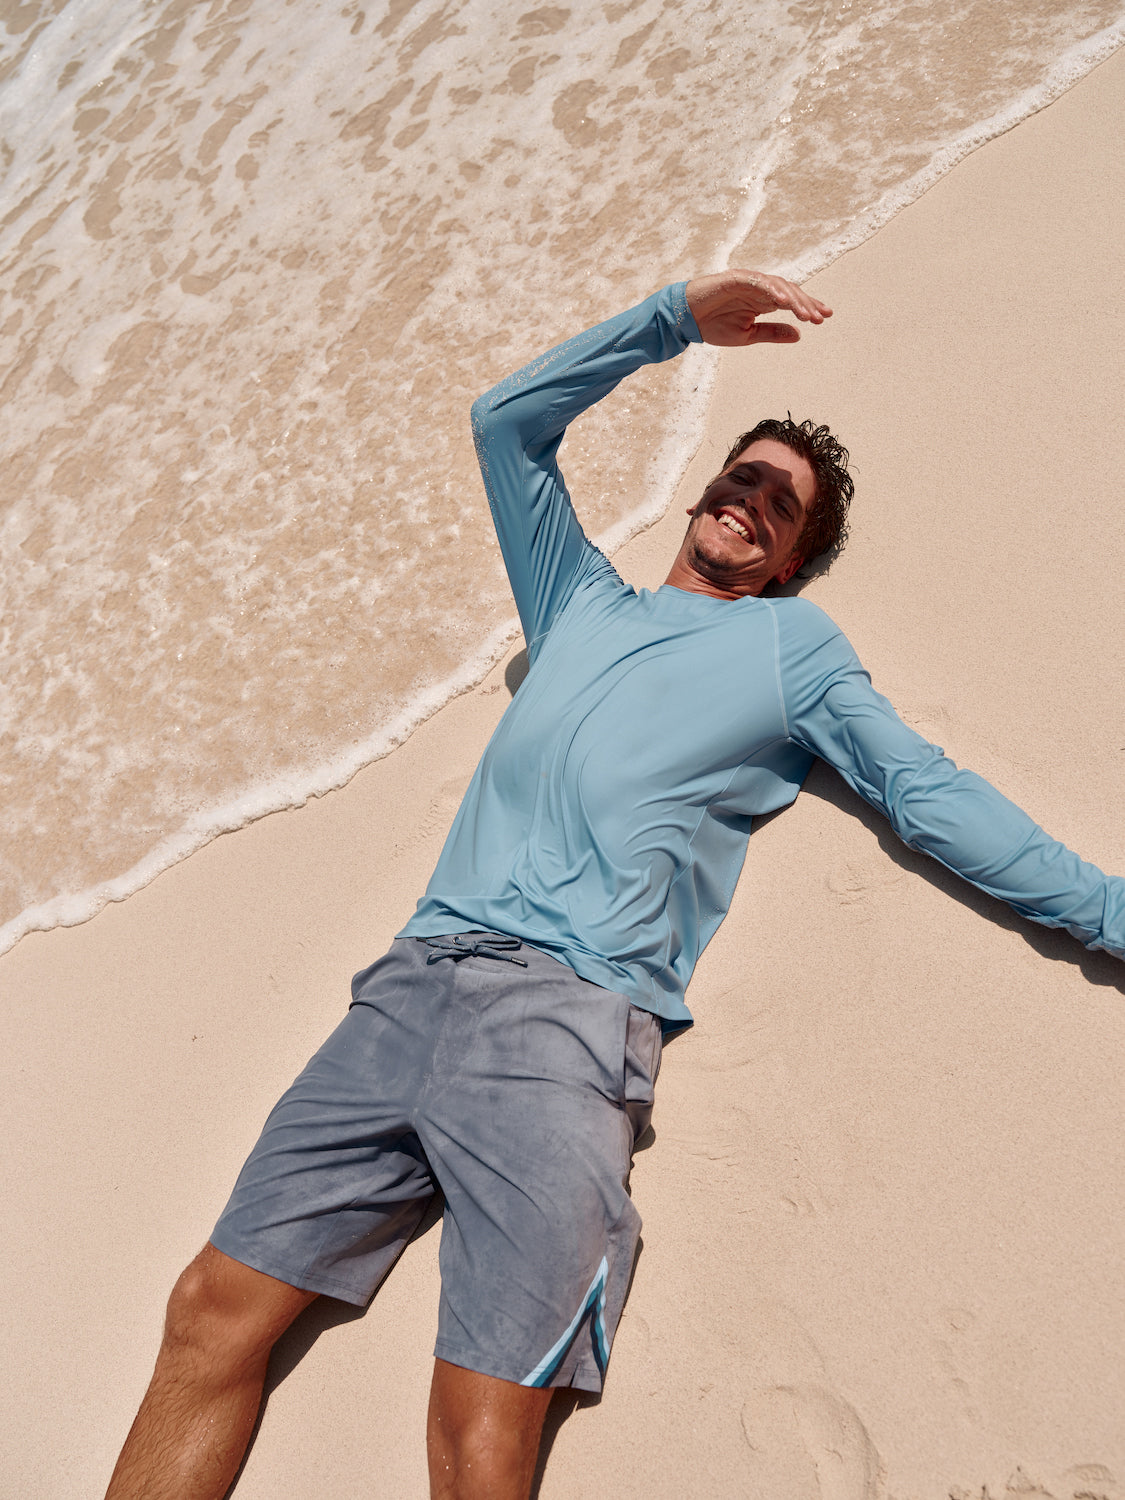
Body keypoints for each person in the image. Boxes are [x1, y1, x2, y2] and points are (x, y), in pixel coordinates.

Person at [104, 270, 1125, 1500]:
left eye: (782, 504)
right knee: (210, 1311)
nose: (752, 501)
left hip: (566, 1021)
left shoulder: (791, 650)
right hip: (406, 990)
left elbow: (928, 792)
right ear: (702, 497)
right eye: (741, 478)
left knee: (478, 1423)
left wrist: (1111, 912)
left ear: (797, 560)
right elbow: (505, 424)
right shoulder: (577, 598)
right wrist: (675, 320)